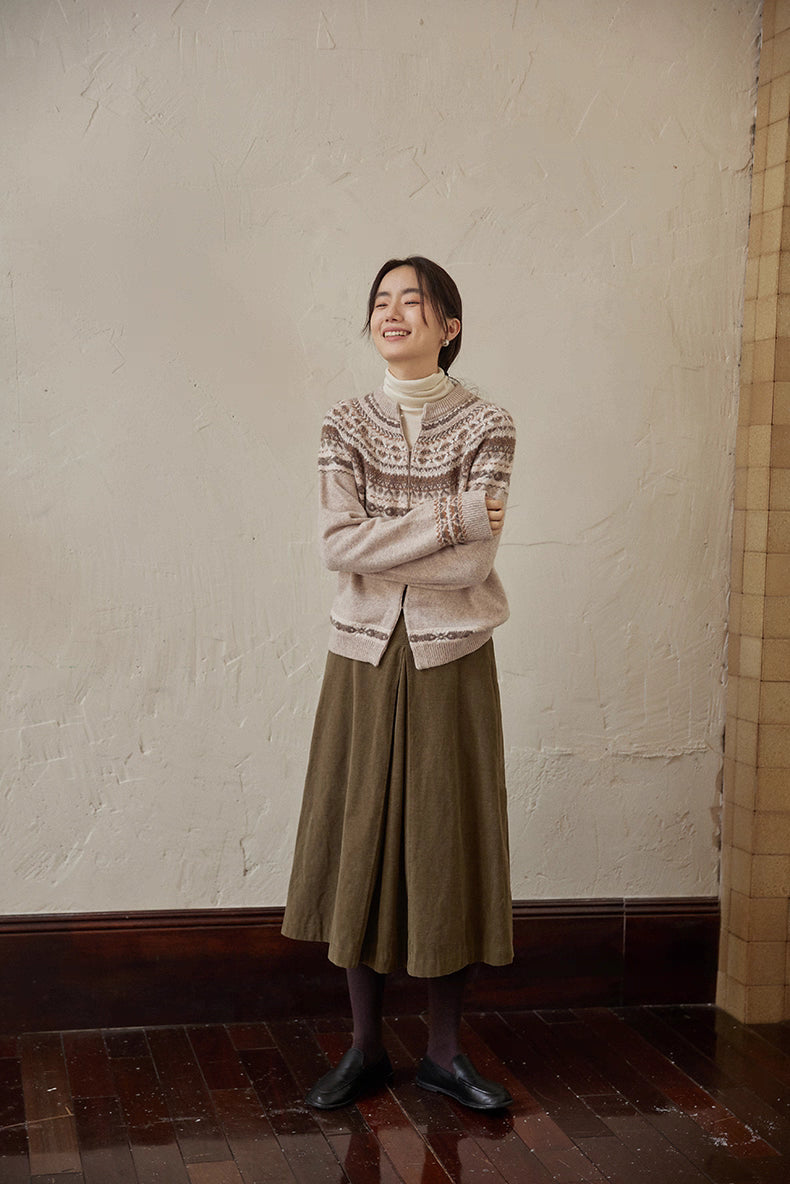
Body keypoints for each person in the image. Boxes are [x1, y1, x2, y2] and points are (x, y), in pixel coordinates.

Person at [282, 255, 516, 1111]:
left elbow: (472, 566)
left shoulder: (490, 425)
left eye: (412, 301)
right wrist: (453, 514)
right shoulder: (342, 424)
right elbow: (336, 544)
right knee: (360, 835)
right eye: (381, 300)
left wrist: (396, 537)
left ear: (448, 326)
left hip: (452, 657)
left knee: (446, 836)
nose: (392, 312)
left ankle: (445, 1057)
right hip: (362, 656)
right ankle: (365, 1050)